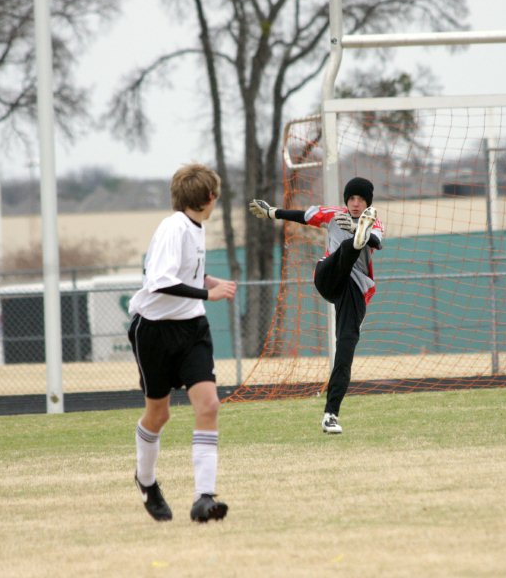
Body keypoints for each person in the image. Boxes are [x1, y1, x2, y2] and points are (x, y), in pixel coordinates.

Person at [127, 163, 237, 522]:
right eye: (216, 196)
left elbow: (184, 273)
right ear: (209, 197)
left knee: (208, 406)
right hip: (155, 332)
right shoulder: (173, 228)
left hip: (191, 329)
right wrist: (210, 294)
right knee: (159, 414)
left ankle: (203, 498)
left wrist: (207, 280)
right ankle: (146, 481)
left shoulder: (195, 227)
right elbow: (160, 281)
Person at [249, 176, 383, 434]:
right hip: (329, 276)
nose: (356, 203)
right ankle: (354, 241)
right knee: (346, 247)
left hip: (353, 292)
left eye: (361, 199)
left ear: (368, 203)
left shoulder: (375, 222)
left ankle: (330, 415)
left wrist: (361, 233)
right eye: (352, 198)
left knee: (345, 351)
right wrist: (272, 212)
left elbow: (376, 241)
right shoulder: (333, 215)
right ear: (346, 200)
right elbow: (302, 215)